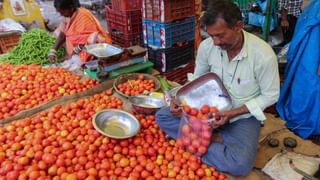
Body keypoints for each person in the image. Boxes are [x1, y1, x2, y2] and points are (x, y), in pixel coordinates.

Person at [156, 0, 280, 176]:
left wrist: (232, 113)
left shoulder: (263, 56)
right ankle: (215, 139)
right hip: (205, 110)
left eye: (220, 35)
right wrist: (180, 100)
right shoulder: (208, 47)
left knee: (240, 165)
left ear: (238, 26)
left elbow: (270, 96)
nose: (215, 42)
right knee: (162, 116)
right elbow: (197, 79)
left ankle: (200, 139)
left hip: (241, 115)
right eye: (211, 35)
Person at [48, 0, 112, 65]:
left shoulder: (83, 16)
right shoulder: (68, 16)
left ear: (71, 7)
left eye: (62, 11)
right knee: (57, 32)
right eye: (59, 12)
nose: (61, 14)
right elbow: (63, 33)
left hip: (92, 48)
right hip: (78, 48)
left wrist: (71, 55)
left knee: (77, 62)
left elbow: (88, 41)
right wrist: (53, 51)